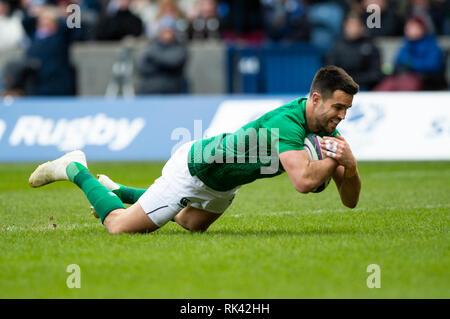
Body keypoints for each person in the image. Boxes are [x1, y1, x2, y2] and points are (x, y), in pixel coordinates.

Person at [28, 65, 362, 235]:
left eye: (346, 110)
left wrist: (352, 167)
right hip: (195, 169)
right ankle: (75, 168)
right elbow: (304, 182)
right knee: (118, 226)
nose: (342, 116)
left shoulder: (326, 131)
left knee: (191, 223)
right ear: (316, 98)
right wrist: (335, 162)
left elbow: (349, 201)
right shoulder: (288, 123)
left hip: (224, 184)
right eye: (338, 107)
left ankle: (119, 189)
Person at [374, 14, 445, 91]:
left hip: (423, 78)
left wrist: (410, 64)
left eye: (413, 27)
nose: (410, 30)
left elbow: (432, 65)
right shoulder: (406, 44)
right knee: (387, 84)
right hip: (403, 76)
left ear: (422, 28)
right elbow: (398, 61)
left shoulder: (431, 45)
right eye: (408, 28)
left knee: (407, 85)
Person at [325, 12, 382, 90]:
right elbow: (330, 72)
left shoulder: (371, 46)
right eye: (350, 25)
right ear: (344, 27)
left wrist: (353, 79)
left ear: (362, 27)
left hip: (366, 89)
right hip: (340, 88)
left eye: (355, 25)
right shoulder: (336, 47)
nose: (352, 29)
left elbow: (375, 74)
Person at [137, 16, 188, 94]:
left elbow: (174, 62)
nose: (166, 34)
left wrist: (154, 58)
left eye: (169, 31)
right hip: (148, 91)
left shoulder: (180, 47)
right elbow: (142, 68)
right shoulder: (153, 46)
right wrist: (164, 66)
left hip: (171, 90)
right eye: (164, 31)